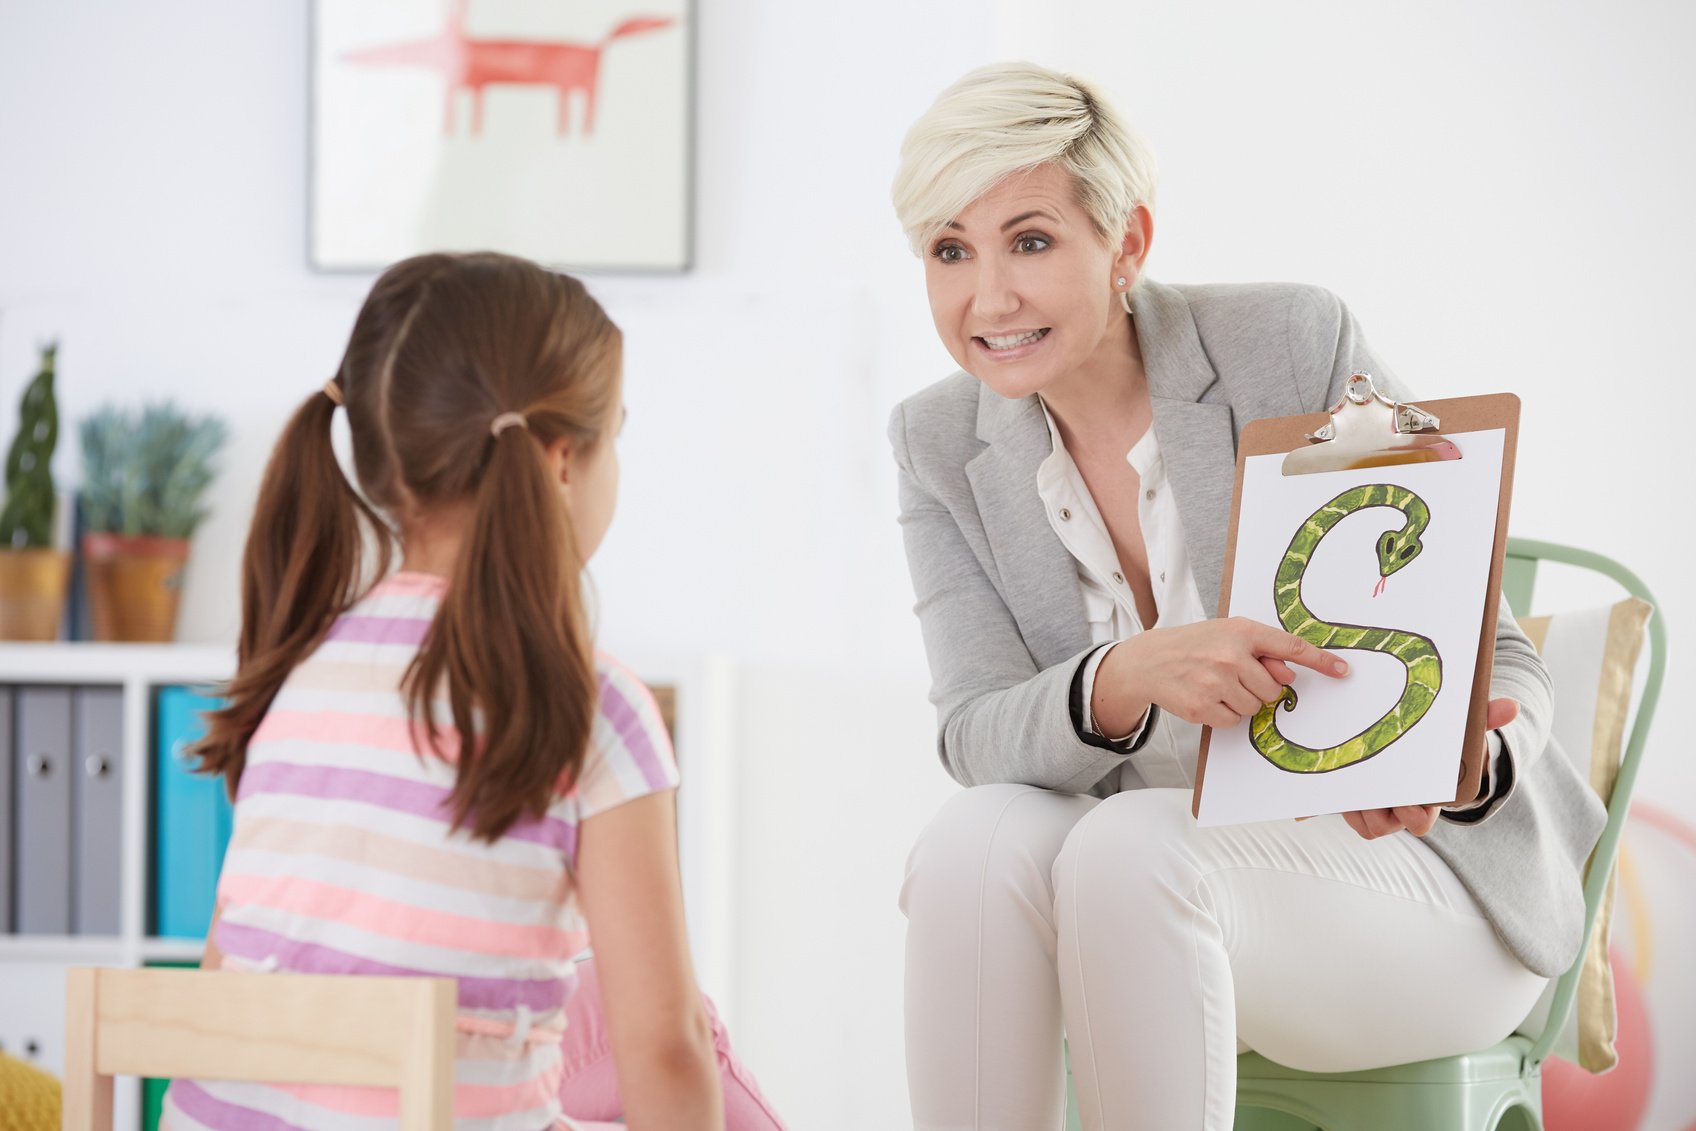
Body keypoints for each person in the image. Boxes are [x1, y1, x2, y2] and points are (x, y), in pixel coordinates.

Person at [887, 62, 1605, 1130]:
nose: (987, 299)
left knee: (1129, 850)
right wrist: (1123, 677)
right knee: (971, 843)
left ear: (1125, 243)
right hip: (1145, 910)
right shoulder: (938, 440)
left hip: (1417, 884)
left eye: (1029, 241)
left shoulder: (1286, 347)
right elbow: (978, 732)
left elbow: (1500, 660)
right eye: (950, 251)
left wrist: (1466, 761)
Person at [161, 252, 785, 1131]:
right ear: (563, 460)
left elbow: (228, 981)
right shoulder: (590, 709)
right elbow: (664, 1049)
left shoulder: (293, 676)